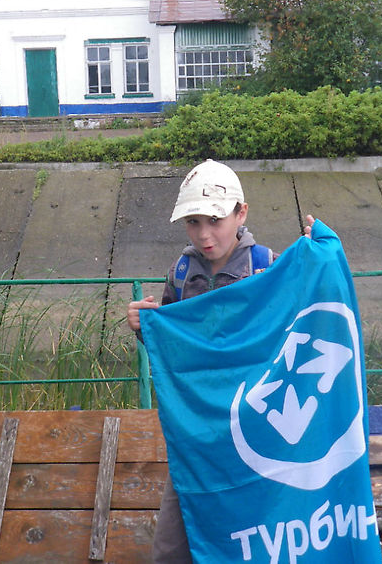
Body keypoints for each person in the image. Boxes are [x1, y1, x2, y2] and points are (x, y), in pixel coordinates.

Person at [128, 159, 313, 563]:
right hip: (198, 435)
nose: (204, 234)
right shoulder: (180, 272)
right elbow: (175, 349)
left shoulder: (269, 267)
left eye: (214, 219)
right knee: (171, 549)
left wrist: (314, 258)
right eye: (193, 222)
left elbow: (303, 326)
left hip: (257, 434)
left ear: (241, 213)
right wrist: (145, 327)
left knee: (254, 540)